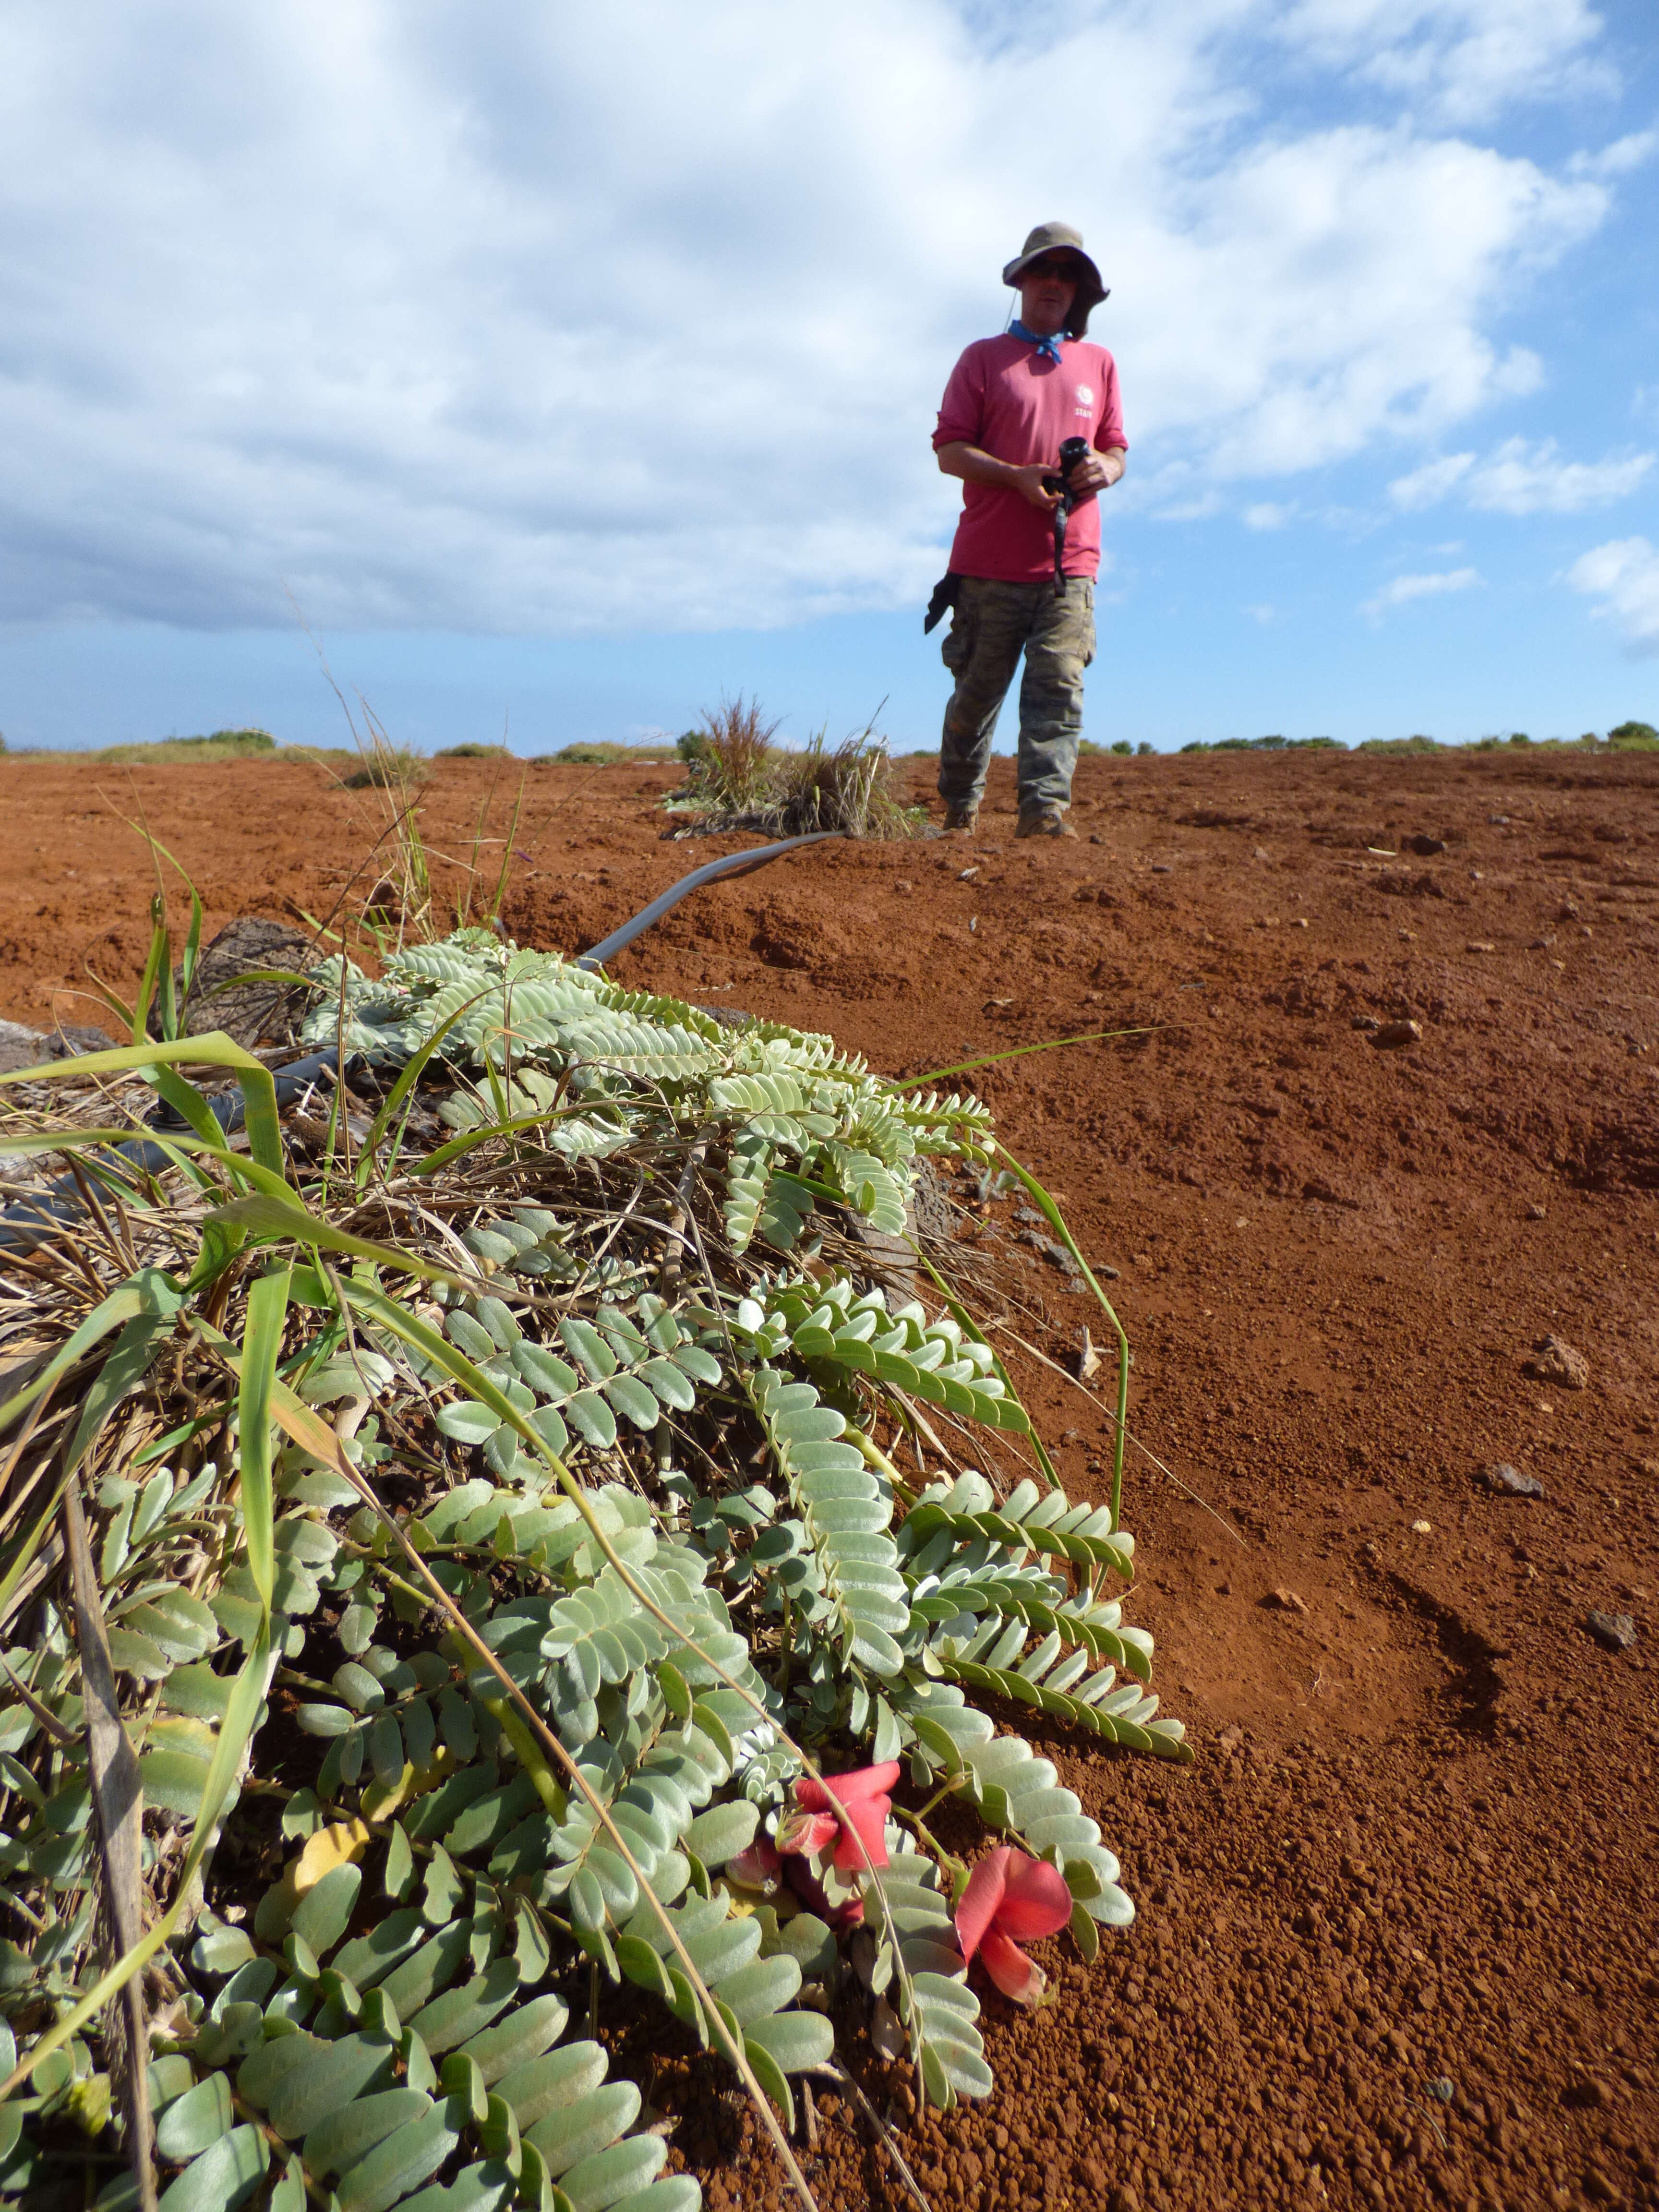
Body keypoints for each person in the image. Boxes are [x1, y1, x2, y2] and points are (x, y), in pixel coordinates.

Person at [928, 222, 1127, 839]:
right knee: (977, 696)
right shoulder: (982, 358)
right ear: (1021, 281)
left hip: (1071, 566)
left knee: (1058, 693)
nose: (1054, 284)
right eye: (1044, 271)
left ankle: (1043, 819)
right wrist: (1015, 476)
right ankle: (959, 813)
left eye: (1068, 275)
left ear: (1079, 293)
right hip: (989, 563)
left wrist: (1104, 468)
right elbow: (948, 449)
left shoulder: (1100, 362)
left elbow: (1118, 450)